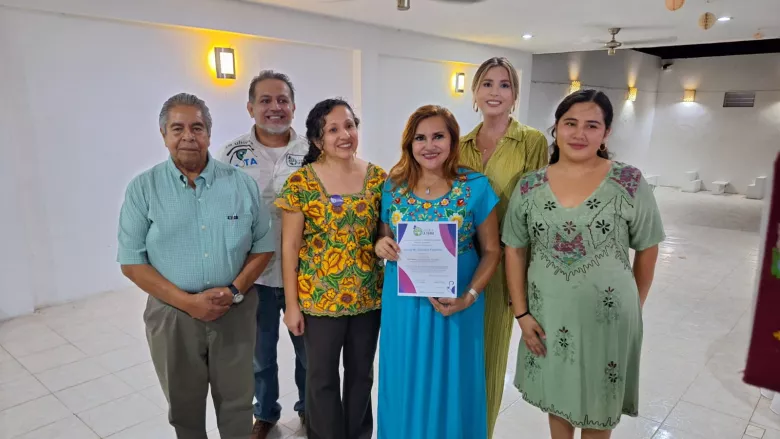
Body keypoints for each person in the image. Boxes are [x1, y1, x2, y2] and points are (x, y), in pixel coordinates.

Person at [502, 89, 665, 439]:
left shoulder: (628, 182)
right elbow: (514, 250)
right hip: (548, 315)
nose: (579, 133)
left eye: (592, 125)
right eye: (570, 123)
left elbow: (648, 247)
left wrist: (632, 305)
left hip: (608, 319)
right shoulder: (529, 186)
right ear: (556, 128)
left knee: (599, 407)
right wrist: (522, 314)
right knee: (557, 395)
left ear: (606, 133)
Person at [117, 93, 275, 439]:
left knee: (237, 404)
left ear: (209, 133)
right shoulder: (143, 189)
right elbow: (131, 261)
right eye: (178, 128)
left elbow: (264, 247)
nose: (188, 136)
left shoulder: (240, 184)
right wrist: (188, 303)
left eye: (197, 127)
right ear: (164, 135)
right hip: (173, 316)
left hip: (234, 311)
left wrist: (234, 290)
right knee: (184, 408)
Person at [375, 105, 502, 438]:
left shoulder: (475, 186)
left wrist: (469, 296)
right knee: (404, 377)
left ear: (453, 140)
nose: (429, 146)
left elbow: (492, 250)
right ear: (409, 143)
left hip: (457, 301)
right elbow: (384, 236)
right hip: (404, 304)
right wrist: (380, 246)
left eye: (438, 136)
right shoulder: (394, 186)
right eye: (420, 138)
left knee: (453, 380)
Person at [275, 98, 386, 439]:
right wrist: (291, 305)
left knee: (361, 375)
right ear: (317, 140)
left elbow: (383, 235)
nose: (344, 135)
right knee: (321, 378)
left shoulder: (378, 178)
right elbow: (290, 248)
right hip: (319, 300)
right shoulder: (302, 183)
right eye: (333, 129)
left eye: (349, 125)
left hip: (368, 297)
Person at [458, 56, 550, 438]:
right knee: (459, 360)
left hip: (505, 266)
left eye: (504, 84)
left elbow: (539, 210)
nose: (495, 92)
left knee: (489, 361)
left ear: (515, 95)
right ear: (475, 92)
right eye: (487, 84)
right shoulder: (459, 144)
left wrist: (525, 281)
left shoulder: (531, 142)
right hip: (462, 264)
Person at [217, 70, 309, 439]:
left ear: (293, 107)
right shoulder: (231, 155)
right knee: (260, 354)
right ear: (250, 107)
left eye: (283, 100)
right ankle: (266, 412)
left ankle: (309, 409)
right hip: (255, 274)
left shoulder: (312, 151)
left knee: (309, 352)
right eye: (266, 100)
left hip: (305, 273)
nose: (275, 107)